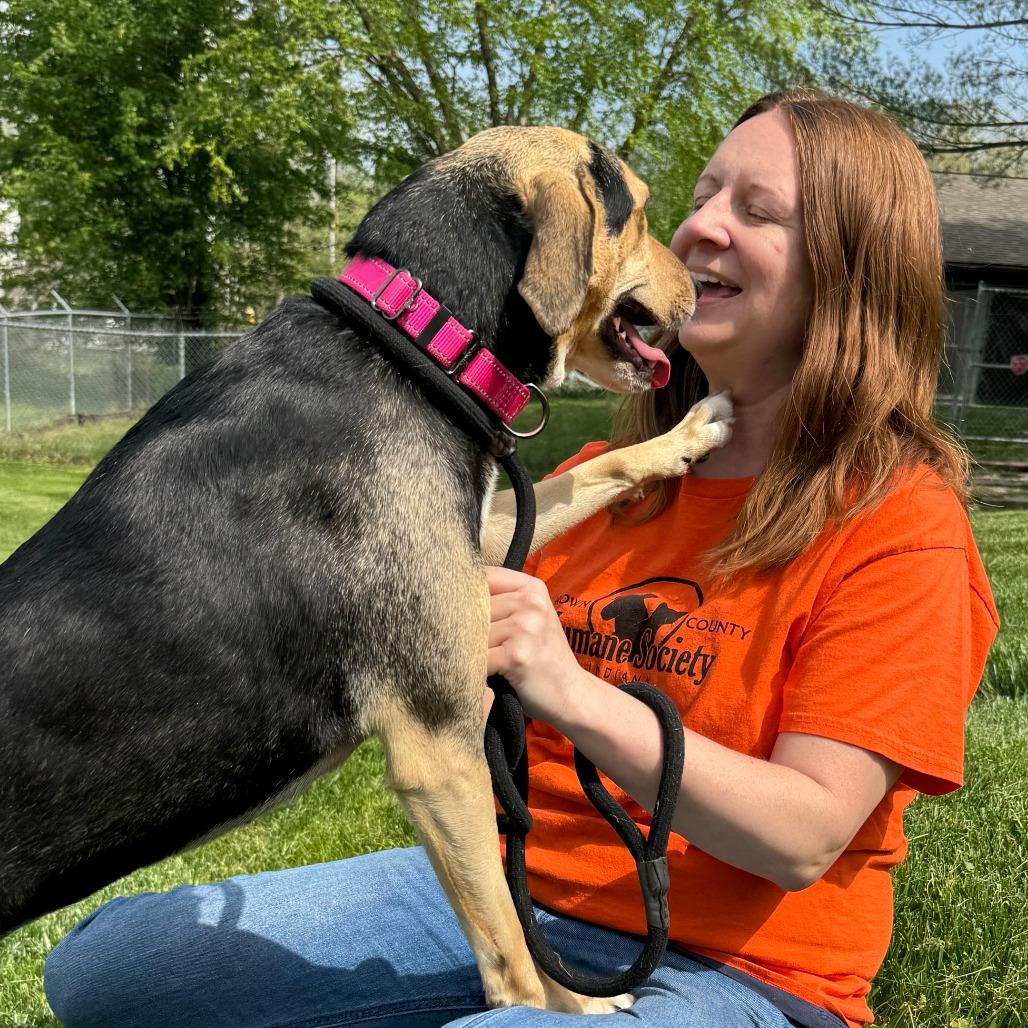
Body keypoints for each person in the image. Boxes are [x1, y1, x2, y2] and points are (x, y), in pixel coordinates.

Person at [43, 89, 997, 1028]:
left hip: (742, 973)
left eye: (756, 211)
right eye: (704, 195)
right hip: (509, 894)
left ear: (848, 271)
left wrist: (568, 686)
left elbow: (802, 838)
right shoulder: (606, 478)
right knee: (113, 970)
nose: (702, 228)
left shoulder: (899, 523)